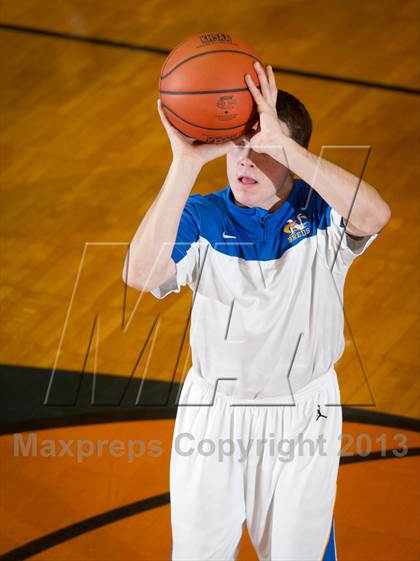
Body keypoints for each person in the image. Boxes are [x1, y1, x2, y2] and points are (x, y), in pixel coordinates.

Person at [122, 61, 391, 561]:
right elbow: (140, 274)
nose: (246, 160)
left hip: (302, 413)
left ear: (291, 157)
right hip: (213, 414)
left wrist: (286, 148)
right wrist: (184, 162)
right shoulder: (203, 215)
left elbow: (375, 215)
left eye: (262, 148)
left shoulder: (321, 213)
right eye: (239, 145)